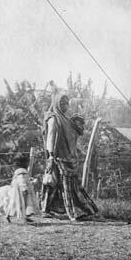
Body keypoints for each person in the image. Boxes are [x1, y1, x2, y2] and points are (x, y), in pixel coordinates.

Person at [41, 93, 98, 221]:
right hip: (56, 157)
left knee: (64, 184)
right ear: (56, 103)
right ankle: (69, 211)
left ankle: (54, 209)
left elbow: (75, 134)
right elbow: (50, 138)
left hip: (67, 157)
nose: (65, 106)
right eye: (62, 103)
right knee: (53, 183)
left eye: (67, 103)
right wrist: (50, 157)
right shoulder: (54, 119)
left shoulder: (65, 119)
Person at [6, 153, 40, 223]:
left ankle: (10, 215)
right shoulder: (22, 171)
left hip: (16, 190)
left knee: (14, 203)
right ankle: (23, 217)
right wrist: (24, 188)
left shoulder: (18, 171)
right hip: (21, 190)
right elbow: (22, 180)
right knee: (23, 203)